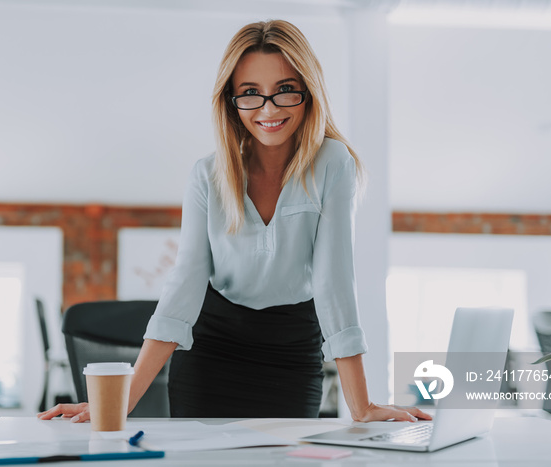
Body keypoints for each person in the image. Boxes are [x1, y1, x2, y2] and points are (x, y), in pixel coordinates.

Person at [39, 19, 431, 423]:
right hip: (213, 351)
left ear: (308, 91)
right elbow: (182, 291)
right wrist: (122, 400)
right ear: (230, 100)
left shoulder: (333, 164)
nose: (269, 109)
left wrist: (361, 407)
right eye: (250, 94)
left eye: (285, 90)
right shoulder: (207, 176)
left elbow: (334, 284)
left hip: (291, 352)